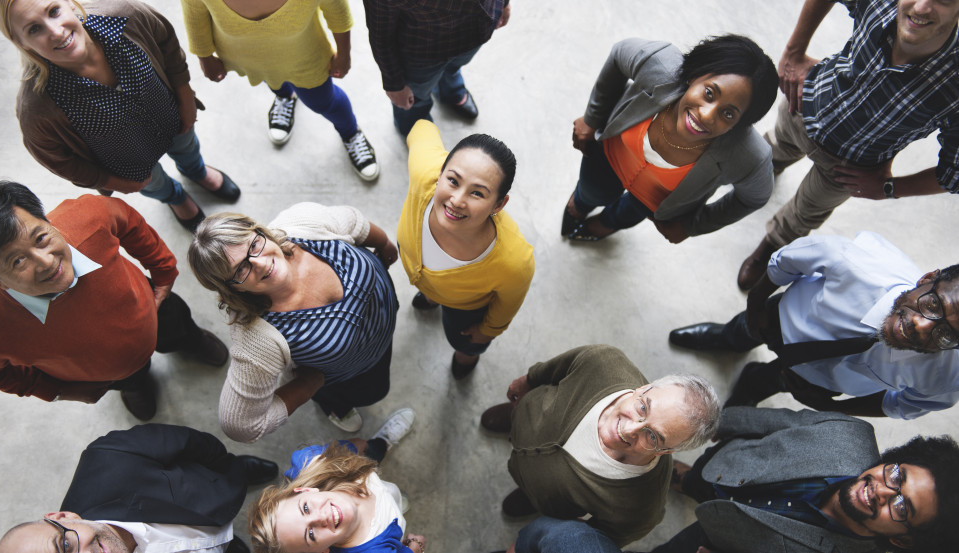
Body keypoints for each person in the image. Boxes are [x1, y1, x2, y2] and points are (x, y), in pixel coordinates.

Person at [737, 0, 959, 290]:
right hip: (806, 104)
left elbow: (954, 172)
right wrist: (794, 51)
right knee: (773, 150)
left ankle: (770, 246)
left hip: (852, 166)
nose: (920, 7)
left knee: (805, 212)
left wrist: (889, 189)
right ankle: (761, 175)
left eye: (942, 1)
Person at [0, 180, 227, 420]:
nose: (47, 261)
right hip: (106, 373)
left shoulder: (87, 215)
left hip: (153, 307)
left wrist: (163, 270)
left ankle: (191, 341)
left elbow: (128, 221)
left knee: (178, 327)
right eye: (17, 261)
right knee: (129, 378)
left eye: (41, 238)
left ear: (48, 222)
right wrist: (58, 392)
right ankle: (134, 384)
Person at [0, 0, 240, 233]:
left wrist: (185, 96)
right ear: (20, 42)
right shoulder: (37, 109)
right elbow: (58, 161)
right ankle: (174, 196)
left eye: (54, 11)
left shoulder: (124, 15)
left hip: (173, 119)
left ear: (69, 2)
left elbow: (166, 42)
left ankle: (195, 171)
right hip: (132, 164)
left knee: (188, 148)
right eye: (34, 29)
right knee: (155, 184)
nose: (55, 31)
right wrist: (114, 182)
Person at [670, 231, 959, 419]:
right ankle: (729, 337)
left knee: (771, 382)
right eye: (933, 304)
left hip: (820, 381)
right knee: (743, 330)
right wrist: (755, 303)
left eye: (946, 334)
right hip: (781, 320)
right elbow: (787, 261)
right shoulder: (857, 262)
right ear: (926, 279)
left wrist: (833, 407)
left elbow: (902, 404)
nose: (922, 326)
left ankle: (751, 386)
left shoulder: (949, 377)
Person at [188, 202, 400, 441]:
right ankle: (335, 408)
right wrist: (309, 385)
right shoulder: (256, 336)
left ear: (259, 231)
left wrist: (384, 244)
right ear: (230, 289)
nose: (259, 263)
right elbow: (240, 425)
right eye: (240, 271)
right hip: (356, 373)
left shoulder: (303, 224)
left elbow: (355, 222)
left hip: (385, 325)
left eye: (254, 245)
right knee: (372, 393)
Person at [480, 344, 720, 547]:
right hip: (526, 414)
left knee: (540, 491)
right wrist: (527, 382)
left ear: (667, 451)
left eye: (653, 437)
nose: (627, 430)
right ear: (646, 387)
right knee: (519, 416)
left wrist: (554, 518)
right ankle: (514, 418)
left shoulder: (642, 507)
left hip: (542, 496)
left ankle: (529, 494)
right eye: (643, 408)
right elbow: (555, 370)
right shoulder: (604, 362)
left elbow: (600, 539)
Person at [650, 407, 959, 553]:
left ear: (902, 540)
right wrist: (717, 422)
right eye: (897, 475)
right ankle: (686, 482)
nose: (882, 489)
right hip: (729, 466)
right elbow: (776, 420)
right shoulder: (850, 433)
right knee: (698, 479)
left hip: (717, 541)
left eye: (903, 507)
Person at [561, 35, 778, 242]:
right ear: (695, 75)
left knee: (627, 214)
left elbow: (754, 197)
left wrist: (692, 226)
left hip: (654, 201)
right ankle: (579, 205)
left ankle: (608, 223)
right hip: (608, 154)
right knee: (592, 191)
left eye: (728, 114)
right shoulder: (659, 64)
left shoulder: (748, 156)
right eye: (709, 93)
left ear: (740, 125)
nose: (706, 115)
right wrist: (593, 118)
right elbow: (619, 54)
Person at [0, 424, 278, 553]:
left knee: (232, 472)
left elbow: (197, 445)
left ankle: (240, 471)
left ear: (62, 517)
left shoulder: (111, 456)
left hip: (217, 491)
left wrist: (227, 468)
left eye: (65, 547)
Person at [180, 0, 379, 181]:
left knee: (323, 102)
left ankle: (351, 133)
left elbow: (338, 12)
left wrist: (344, 54)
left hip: (305, 58)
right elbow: (194, 16)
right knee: (274, 83)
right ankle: (285, 97)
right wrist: (204, 57)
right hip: (249, 58)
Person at [397, 120, 534, 379]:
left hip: (465, 309)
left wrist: (487, 331)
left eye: (478, 194)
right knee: (431, 288)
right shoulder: (423, 172)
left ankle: (466, 357)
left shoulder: (514, 261)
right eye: (452, 180)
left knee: (466, 341)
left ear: (499, 204)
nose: (456, 201)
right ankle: (430, 297)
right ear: (440, 172)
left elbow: (507, 305)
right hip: (423, 274)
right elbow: (421, 128)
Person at [248, 409, 421, 553]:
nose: (322, 516)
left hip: (364, 472)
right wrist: (415, 546)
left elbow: (347, 449)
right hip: (389, 523)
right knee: (395, 503)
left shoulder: (315, 462)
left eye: (306, 508)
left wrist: (361, 446)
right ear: (323, 551)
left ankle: (383, 441)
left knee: (373, 454)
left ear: (304, 490)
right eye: (311, 534)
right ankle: (397, 508)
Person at [363, 0, 511, 136]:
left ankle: (449, 90)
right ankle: (414, 126)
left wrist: (503, 3)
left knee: (453, 67)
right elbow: (381, 35)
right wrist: (394, 83)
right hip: (425, 50)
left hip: (474, 33)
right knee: (416, 98)